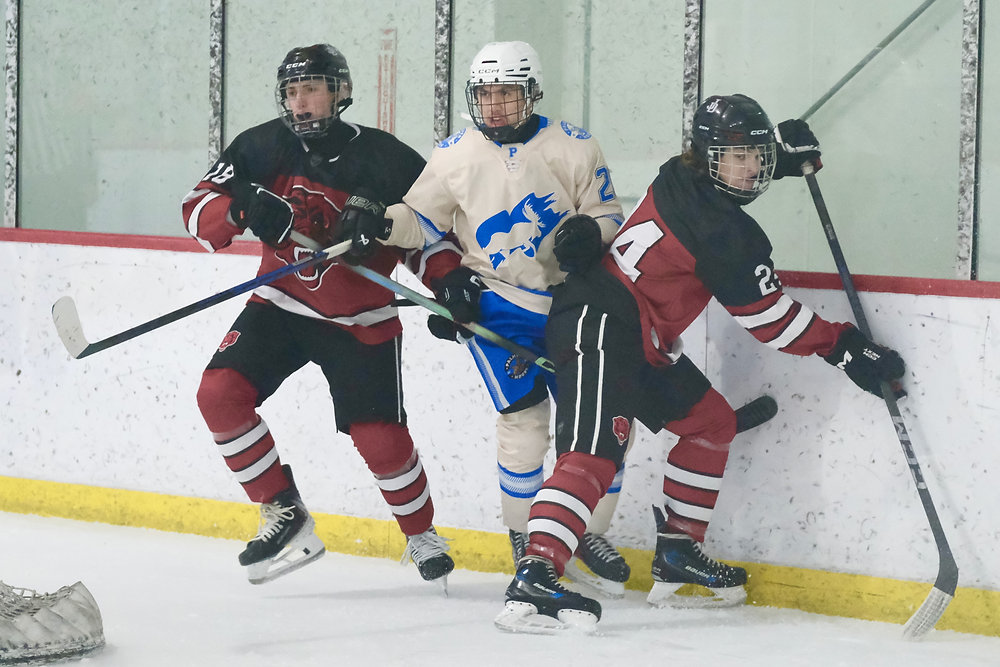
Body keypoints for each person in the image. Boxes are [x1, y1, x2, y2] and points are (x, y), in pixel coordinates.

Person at [494, 93, 907, 632]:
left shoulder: (679, 174)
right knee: (595, 454)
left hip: (638, 336)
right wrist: (844, 346)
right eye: (737, 156)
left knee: (710, 424)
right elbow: (769, 321)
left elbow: (727, 180)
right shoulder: (727, 235)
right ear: (706, 156)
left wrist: (783, 161)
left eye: (757, 155)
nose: (750, 168)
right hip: (599, 323)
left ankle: (677, 551)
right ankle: (535, 576)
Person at [340, 41, 632, 596]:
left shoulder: (574, 146)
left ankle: (587, 530)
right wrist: (378, 221)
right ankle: (526, 538)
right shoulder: (453, 154)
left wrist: (591, 232)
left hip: (574, 304)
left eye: (507, 93)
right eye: (485, 94)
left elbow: (607, 214)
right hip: (499, 305)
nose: (494, 105)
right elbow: (419, 222)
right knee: (523, 422)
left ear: (533, 92)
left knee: (600, 420)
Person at [180, 44, 458, 586]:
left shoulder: (390, 160)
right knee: (218, 394)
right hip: (280, 303)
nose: (299, 102)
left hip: (360, 320)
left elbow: (432, 236)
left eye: (310, 89)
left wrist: (449, 285)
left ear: (341, 92)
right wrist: (240, 209)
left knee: (380, 439)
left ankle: (421, 533)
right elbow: (195, 210)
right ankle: (282, 509)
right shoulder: (261, 146)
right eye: (291, 92)